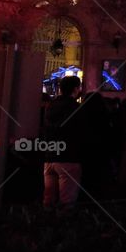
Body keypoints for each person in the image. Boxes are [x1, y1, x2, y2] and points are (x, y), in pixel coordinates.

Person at [42, 75, 85, 206]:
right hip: (69, 157)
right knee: (67, 201)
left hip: (50, 155)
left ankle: (44, 223)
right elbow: (80, 131)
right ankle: (63, 224)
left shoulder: (50, 106)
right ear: (76, 89)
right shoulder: (76, 108)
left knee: (49, 199)